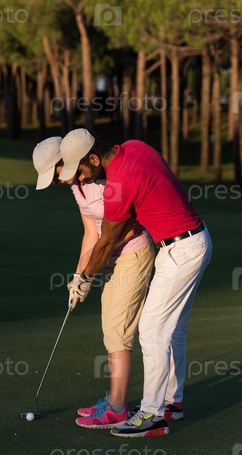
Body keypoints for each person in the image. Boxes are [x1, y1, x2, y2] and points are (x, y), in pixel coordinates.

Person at [62, 129, 213, 438]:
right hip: (195, 239)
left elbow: (106, 243)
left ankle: (152, 415)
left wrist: (84, 278)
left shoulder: (119, 184)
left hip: (180, 251)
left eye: (82, 170)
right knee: (173, 329)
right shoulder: (135, 146)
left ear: (94, 158)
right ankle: (172, 403)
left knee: (152, 331)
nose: (83, 178)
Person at [32, 136, 154, 428]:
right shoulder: (77, 186)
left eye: (55, 174)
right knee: (109, 328)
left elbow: (126, 229)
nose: (57, 182)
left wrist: (91, 270)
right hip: (107, 256)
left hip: (132, 253)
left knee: (118, 330)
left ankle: (117, 408)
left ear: (66, 162)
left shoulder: (102, 181)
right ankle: (114, 399)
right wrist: (78, 277)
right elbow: (91, 233)